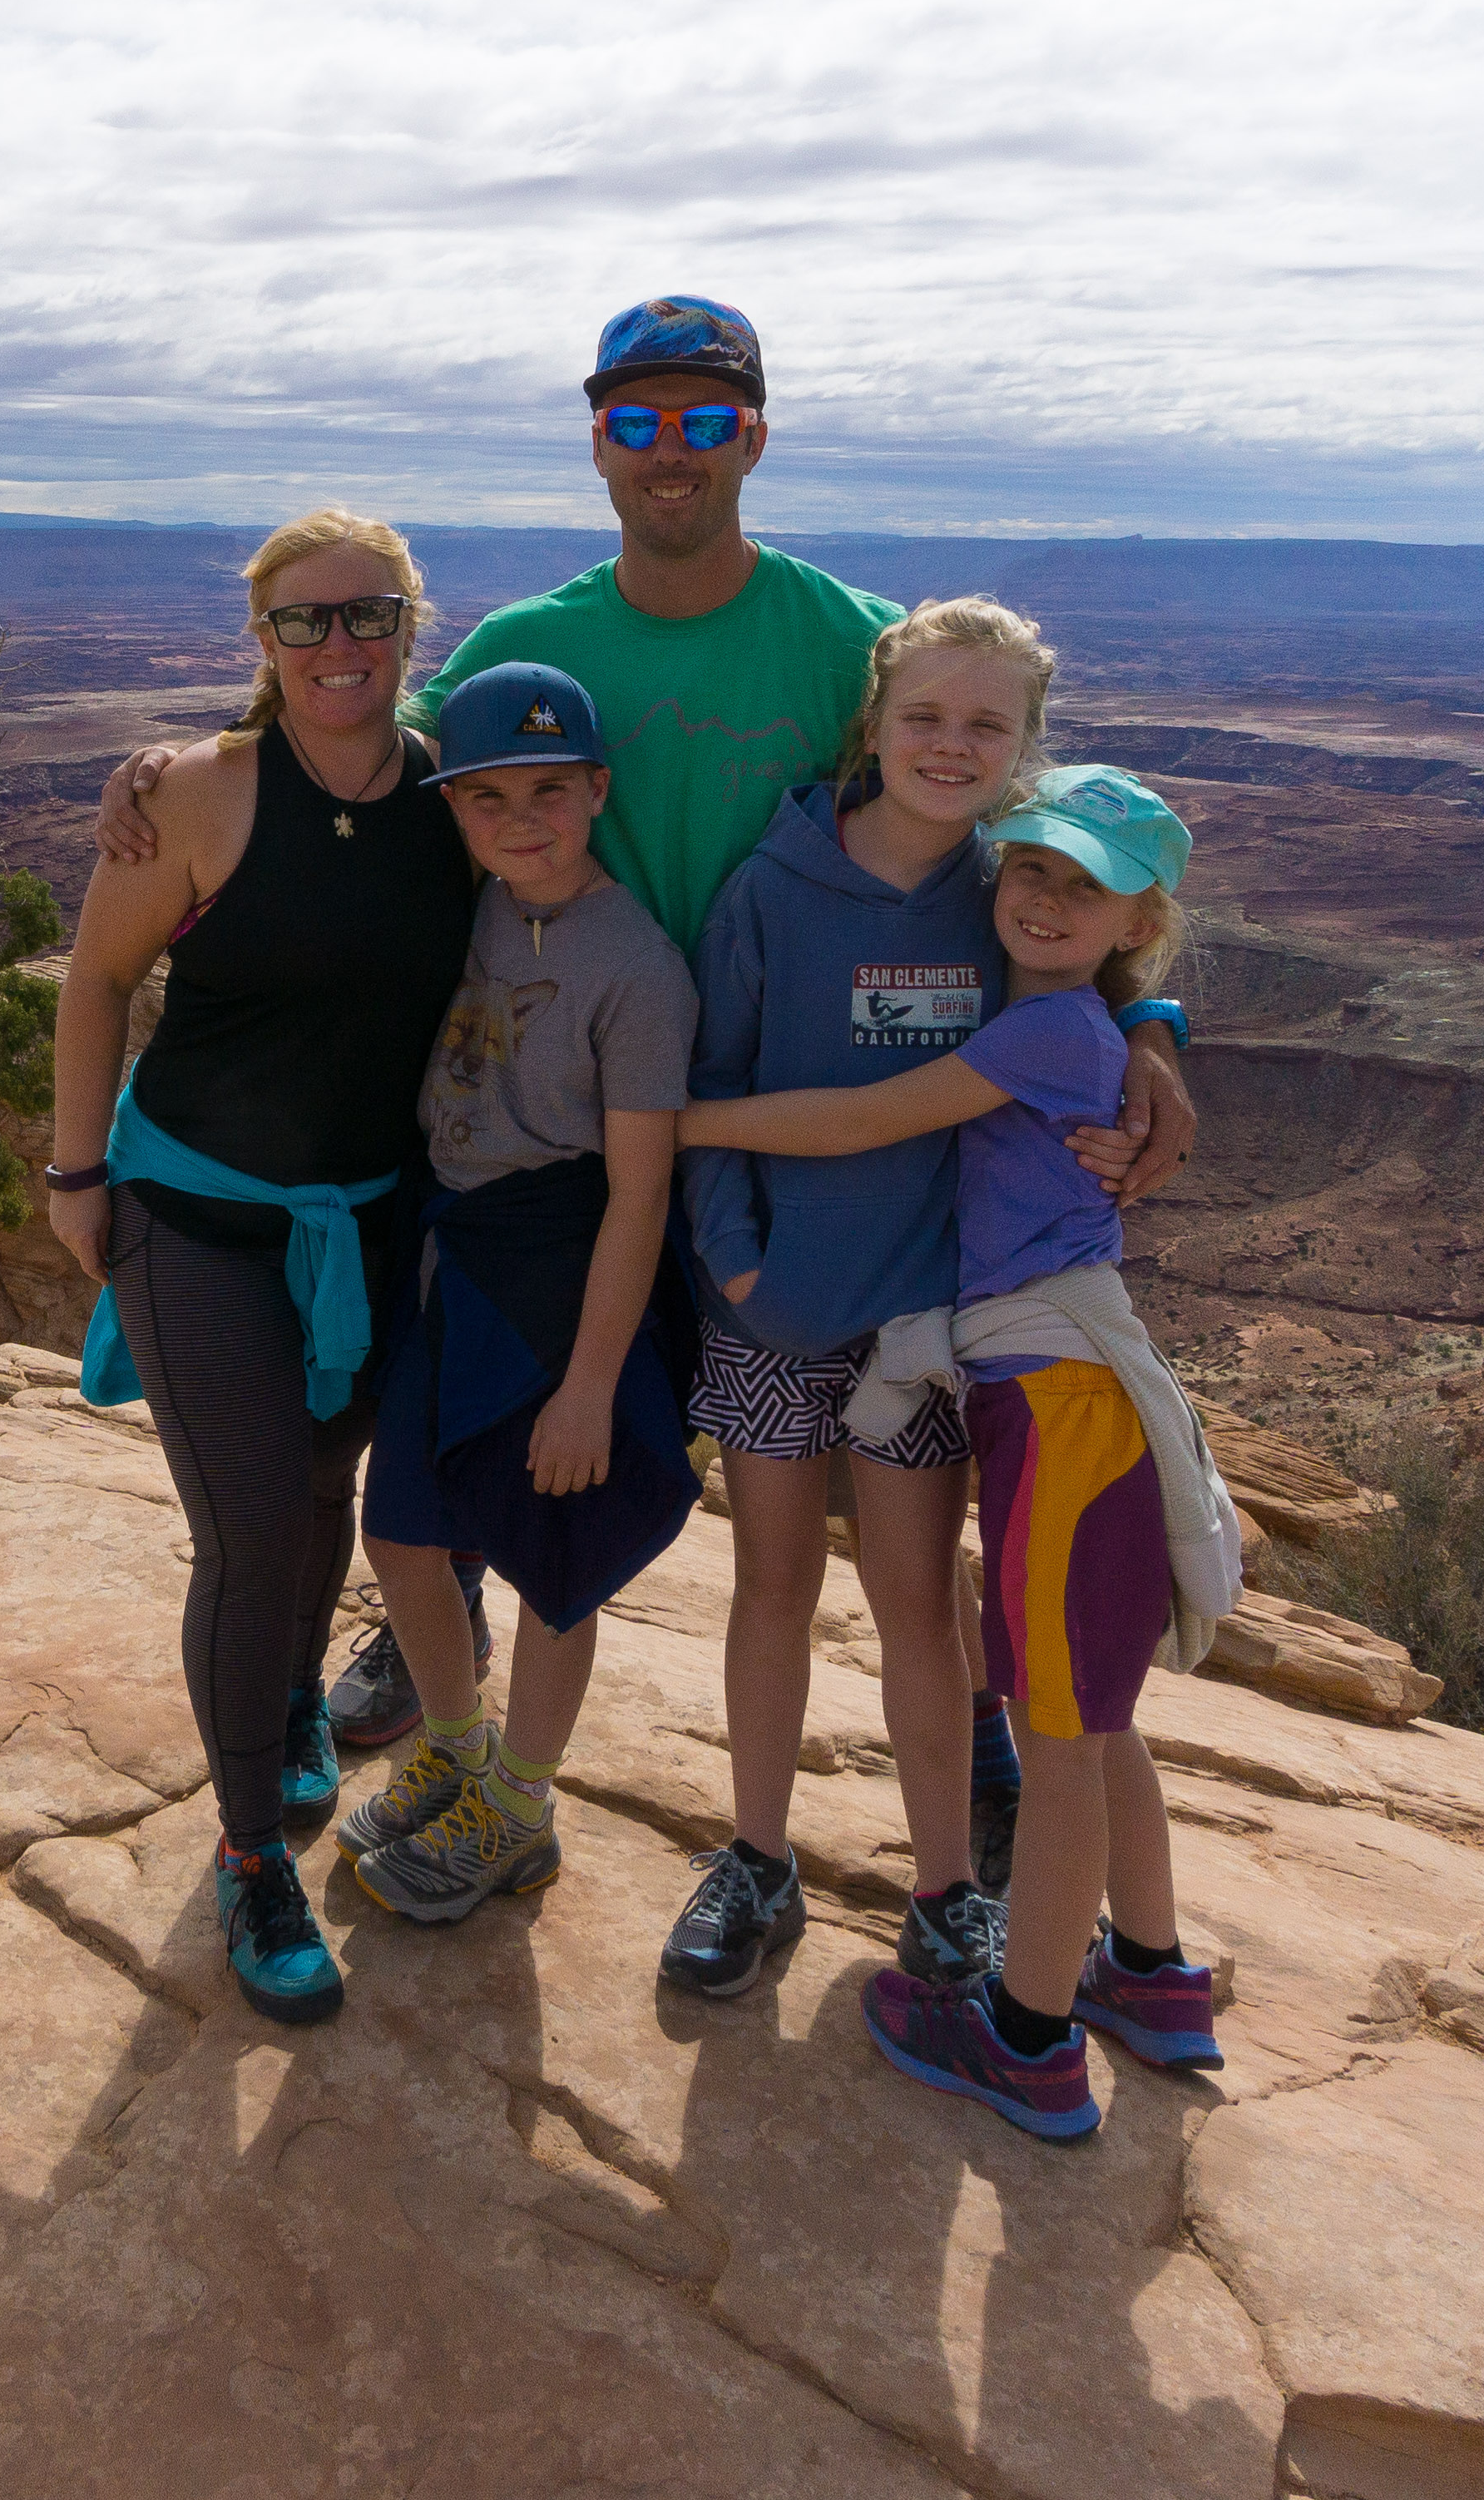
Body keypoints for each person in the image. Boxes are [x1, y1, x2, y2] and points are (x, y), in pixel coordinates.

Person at [101, 300, 1200, 1754]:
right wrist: (195, 757)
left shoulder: (856, 646)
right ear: (600, 444)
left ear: (752, 435)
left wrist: (1150, 1021)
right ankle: (460, 1612)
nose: (667, 451)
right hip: (567, 1116)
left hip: (778, 1123)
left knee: (799, 1443)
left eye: (700, 420)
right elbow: (360, 748)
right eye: (636, 421)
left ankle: (971, 1731)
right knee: (523, 1380)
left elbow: (1035, 830)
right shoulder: (531, 641)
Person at [678, 767, 1243, 2141]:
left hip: (1057, 1416)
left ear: (1137, 921)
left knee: (1058, 1748)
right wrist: (1152, 1019)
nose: (1044, 897)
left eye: (1083, 885)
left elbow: (864, 1119)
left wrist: (684, 1126)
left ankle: (1028, 2041)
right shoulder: (1059, 1006)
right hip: (1055, 1395)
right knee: (1096, 1731)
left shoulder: (1052, 1033)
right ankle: (1152, 1978)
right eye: (1030, 868)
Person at [47, 509, 482, 2029]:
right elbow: (99, 982)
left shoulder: (459, 799)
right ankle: (249, 1856)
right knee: (245, 1528)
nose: (339, 646)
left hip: (372, 1218)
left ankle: (295, 1705)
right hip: (197, 1212)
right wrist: (75, 1173)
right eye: (305, 623)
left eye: (367, 615)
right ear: (263, 642)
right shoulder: (201, 796)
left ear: (413, 623)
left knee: (320, 1495)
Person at [663, 601, 1068, 2007]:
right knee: (772, 1582)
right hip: (769, 1313)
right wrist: (739, 1266)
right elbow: (706, 1082)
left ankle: (945, 1886)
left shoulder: (1008, 898)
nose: (950, 747)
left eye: (985, 726)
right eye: (926, 717)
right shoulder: (771, 890)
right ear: (875, 721)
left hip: (923, 1329)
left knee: (916, 1605)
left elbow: (1100, 995)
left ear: (1022, 750)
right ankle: (758, 1855)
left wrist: (1158, 1049)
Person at [333, 666, 702, 1928]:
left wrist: (593, 1386)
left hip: (562, 1268)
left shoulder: (639, 970)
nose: (521, 817)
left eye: (551, 790)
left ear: (599, 791)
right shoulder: (479, 906)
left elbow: (641, 1196)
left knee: (557, 1555)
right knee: (403, 1528)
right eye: (487, 797)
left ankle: (526, 1806)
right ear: (457, 811)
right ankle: (453, 1741)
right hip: (458, 1252)